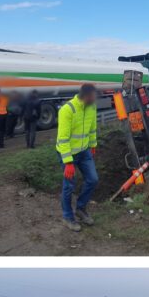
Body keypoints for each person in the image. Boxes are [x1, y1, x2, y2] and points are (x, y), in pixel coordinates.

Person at [55, 84, 99, 232]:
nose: (95, 99)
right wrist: (68, 162)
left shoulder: (91, 107)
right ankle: (68, 217)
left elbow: (92, 128)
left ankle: (80, 208)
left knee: (93, 179)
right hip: (68, 154)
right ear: (85, 96)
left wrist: (93, 145)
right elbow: (62, 139)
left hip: (84, 151)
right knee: (69, 186)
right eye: (93, 96)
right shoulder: (67, 110)